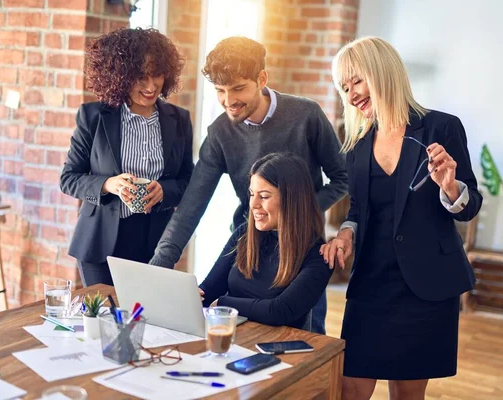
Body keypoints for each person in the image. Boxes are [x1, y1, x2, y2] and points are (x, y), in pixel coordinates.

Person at [149, 36, 348, 334]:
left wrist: (297, 211)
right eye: (220, 91)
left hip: (301, 251)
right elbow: (192, 205)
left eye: (239, 88)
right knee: (241, 334)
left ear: (262, 79)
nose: (229, 101)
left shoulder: (306, 116)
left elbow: (343, 177)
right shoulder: (220, 133)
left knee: (306, 342)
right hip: (247, 247)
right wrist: (157, 268)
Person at [321, 37, 483, 399]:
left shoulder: (442, 128)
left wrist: (450, 186)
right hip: (371, 285)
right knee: (350, 389)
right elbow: (360, 211)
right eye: (344, 88)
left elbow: (470, 206)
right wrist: (347, 233)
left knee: (407, 395)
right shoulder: (357, 147)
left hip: (425, 287)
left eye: (356, 81)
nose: (350, 95)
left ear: (381, 72)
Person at [60, 28, 194, 287]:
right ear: (120, 76)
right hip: (99, 242)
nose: (151, 86)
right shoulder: (94, 117)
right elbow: (69, 178)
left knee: (145, 321)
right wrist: (108, 184)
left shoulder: (179, 120)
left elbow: (189, 180)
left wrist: (164, 190)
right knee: (108, 320)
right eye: (141, 77)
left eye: (157, 75)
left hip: (155, 242)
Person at [199, 153, 333, 330]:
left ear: (290, 199)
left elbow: (279, 311)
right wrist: (195, 295)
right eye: (252, 194)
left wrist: (224, 303)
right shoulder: (243, 234)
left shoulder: (319, 256)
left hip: (272, 347)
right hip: (233, 338)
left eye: (263, 196)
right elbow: (208, 290)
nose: (253, 204)